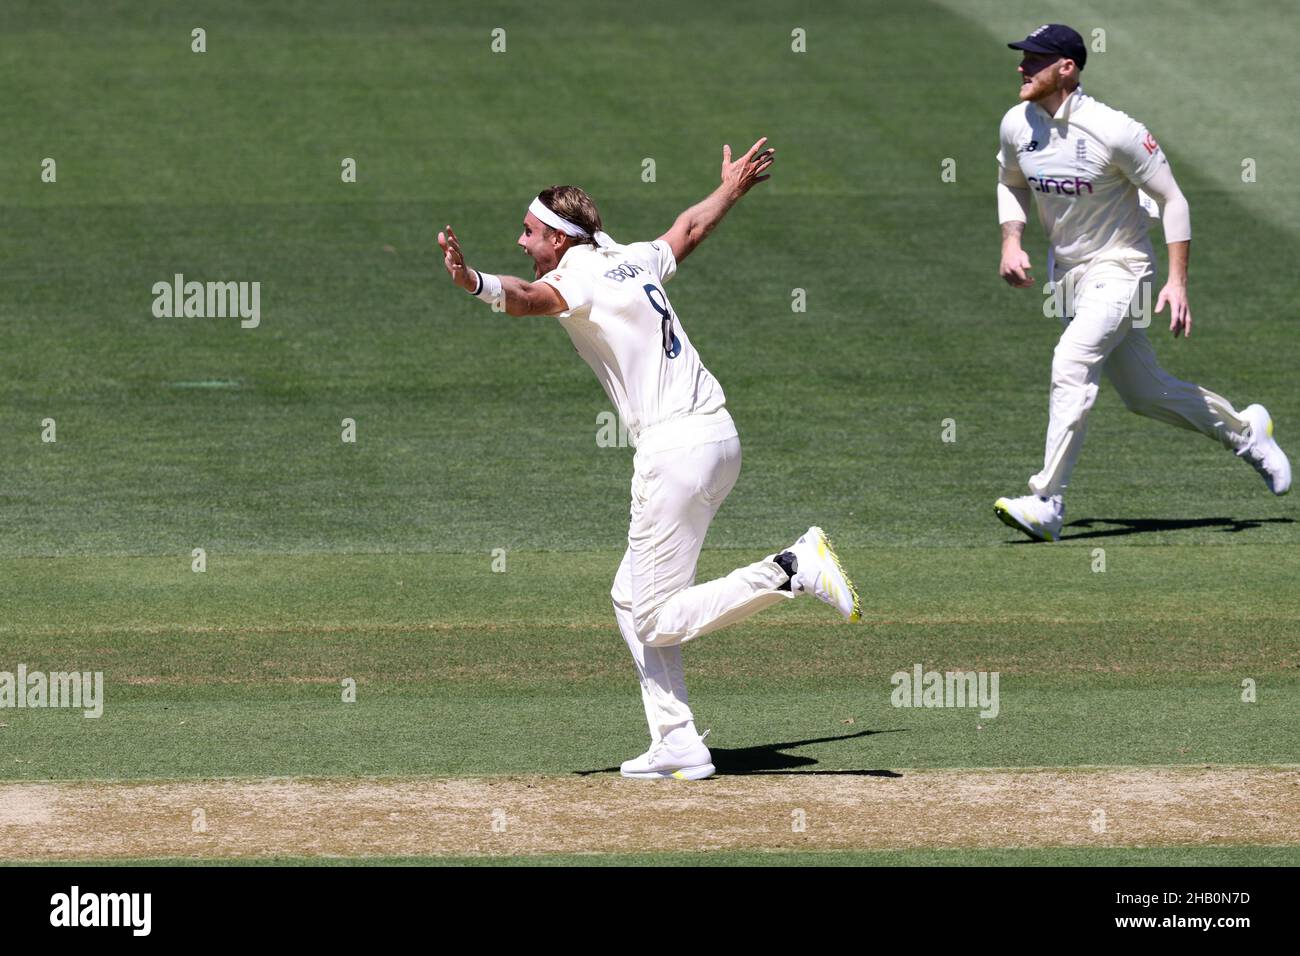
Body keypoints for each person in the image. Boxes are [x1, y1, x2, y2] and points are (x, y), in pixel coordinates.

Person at [436, 137, 861, 780]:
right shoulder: (631, 258)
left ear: (558, 238)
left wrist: (472, 281)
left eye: (529, 232)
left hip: (675, 452)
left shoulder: (574, 278)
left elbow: (523, 297)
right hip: (718, 437)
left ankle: (790, 568)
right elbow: (689, 226)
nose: (521, 242)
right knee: (628, 596)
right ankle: (678, 742)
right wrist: (733, 189)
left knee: (657, 618)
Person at [994, 24, 1290, 542]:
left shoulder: (1114, 130)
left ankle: (1047, 502)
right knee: (1143, 394)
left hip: (1123, 269)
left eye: (1035, 60)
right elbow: (1011, 182)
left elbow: (1174, 200)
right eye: (1023, 58)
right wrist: (1011, 241)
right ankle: (1246, 432)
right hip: (1067, 275)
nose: (1022, 67)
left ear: (1067, 68)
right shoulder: (1017, 124)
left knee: (1072, 360)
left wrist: (1177, 282)